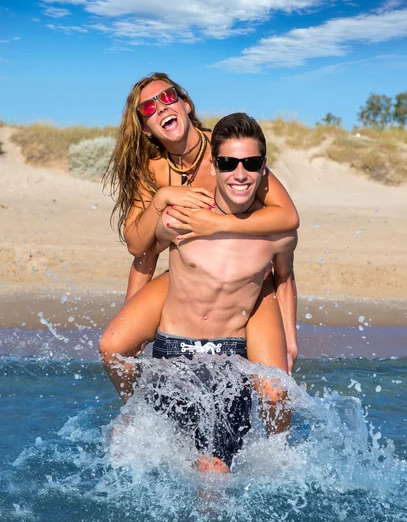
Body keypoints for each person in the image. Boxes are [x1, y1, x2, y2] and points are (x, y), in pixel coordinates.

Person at [100, 73, 299, 403]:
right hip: (190, 271)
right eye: (148, 107)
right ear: (146, 127)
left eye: (167, 97)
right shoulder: (151, 171)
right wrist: (162, 196)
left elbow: (287, 216)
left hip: (249, 277)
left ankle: (281, 450)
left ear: (185, 104)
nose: (160, 107)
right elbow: (139, 246)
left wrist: (215, 225)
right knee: (113, 347)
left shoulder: (226, 154)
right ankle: (136, 412)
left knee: (275, 392)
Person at [142, 113, 298, 473]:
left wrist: (289, 339)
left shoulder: (277, 233)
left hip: (231, 358)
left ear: (263, 169)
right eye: (228, 163)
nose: (239, 174)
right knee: (159, 459)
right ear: (214, 167)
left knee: (214, 473)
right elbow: (142, 251)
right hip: (174, 355)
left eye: (251, 163)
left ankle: (279, 464)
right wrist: (161, 199)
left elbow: (285, 279)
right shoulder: (182, 218)